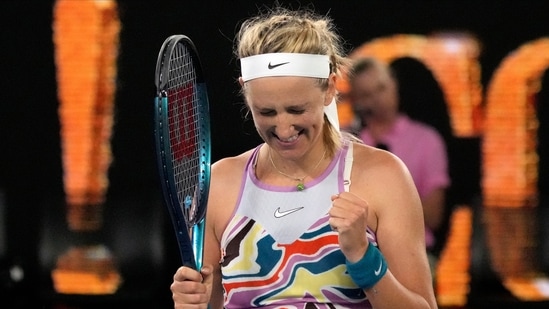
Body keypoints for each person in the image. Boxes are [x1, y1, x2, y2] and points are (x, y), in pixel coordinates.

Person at [171, 7, 438, 309]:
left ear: (331, 89)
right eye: (267, 112)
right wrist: (192, 303)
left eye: (297, 110)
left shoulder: (383, 176)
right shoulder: (220, 182)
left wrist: (364, 258)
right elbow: (210, 302)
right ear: (244, 91)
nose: (283, 128)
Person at [345, 57, 451, 272]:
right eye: (367, 94)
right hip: (353, 254)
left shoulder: (426, 140)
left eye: (381, 88)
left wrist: (382, 206)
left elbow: (434, 215)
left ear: (394, 85)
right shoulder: (345, 143)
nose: (377, 99)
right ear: (356, 101)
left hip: (414, 254)